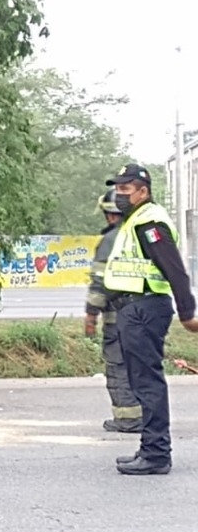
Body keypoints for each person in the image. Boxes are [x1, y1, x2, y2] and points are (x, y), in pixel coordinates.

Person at [102, 164, 198, 475]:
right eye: (118, 189)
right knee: (141, 381)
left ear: (143, 191)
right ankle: (150, 447)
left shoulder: (149, 222)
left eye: (126, 190)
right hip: (134, 308)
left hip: (145, 308)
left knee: (147, 382)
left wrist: (188, 312)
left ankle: (156, 453)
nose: (120, 195)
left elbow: (174, 269)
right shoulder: (136, 221)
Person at [84, 189, 140, 433]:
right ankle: (148, 415)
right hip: (147, 315)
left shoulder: (111, 239)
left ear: (110, 214)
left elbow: (100, 280)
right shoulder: (142, 234)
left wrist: (91, 313)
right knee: (143, 367)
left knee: (118, 367)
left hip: (118, 318)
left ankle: (127, 418)